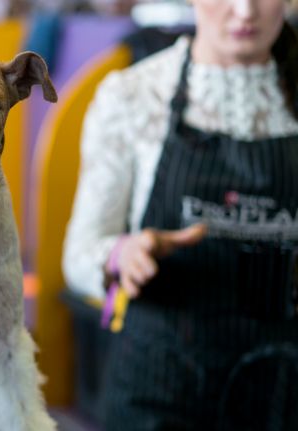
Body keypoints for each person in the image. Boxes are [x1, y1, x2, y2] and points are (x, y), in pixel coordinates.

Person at [63, 0, 298, 429]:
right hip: (157, 392)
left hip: (283, 396)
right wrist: (122, 255)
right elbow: (78, 256)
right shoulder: (133, 96)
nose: (245, 12)